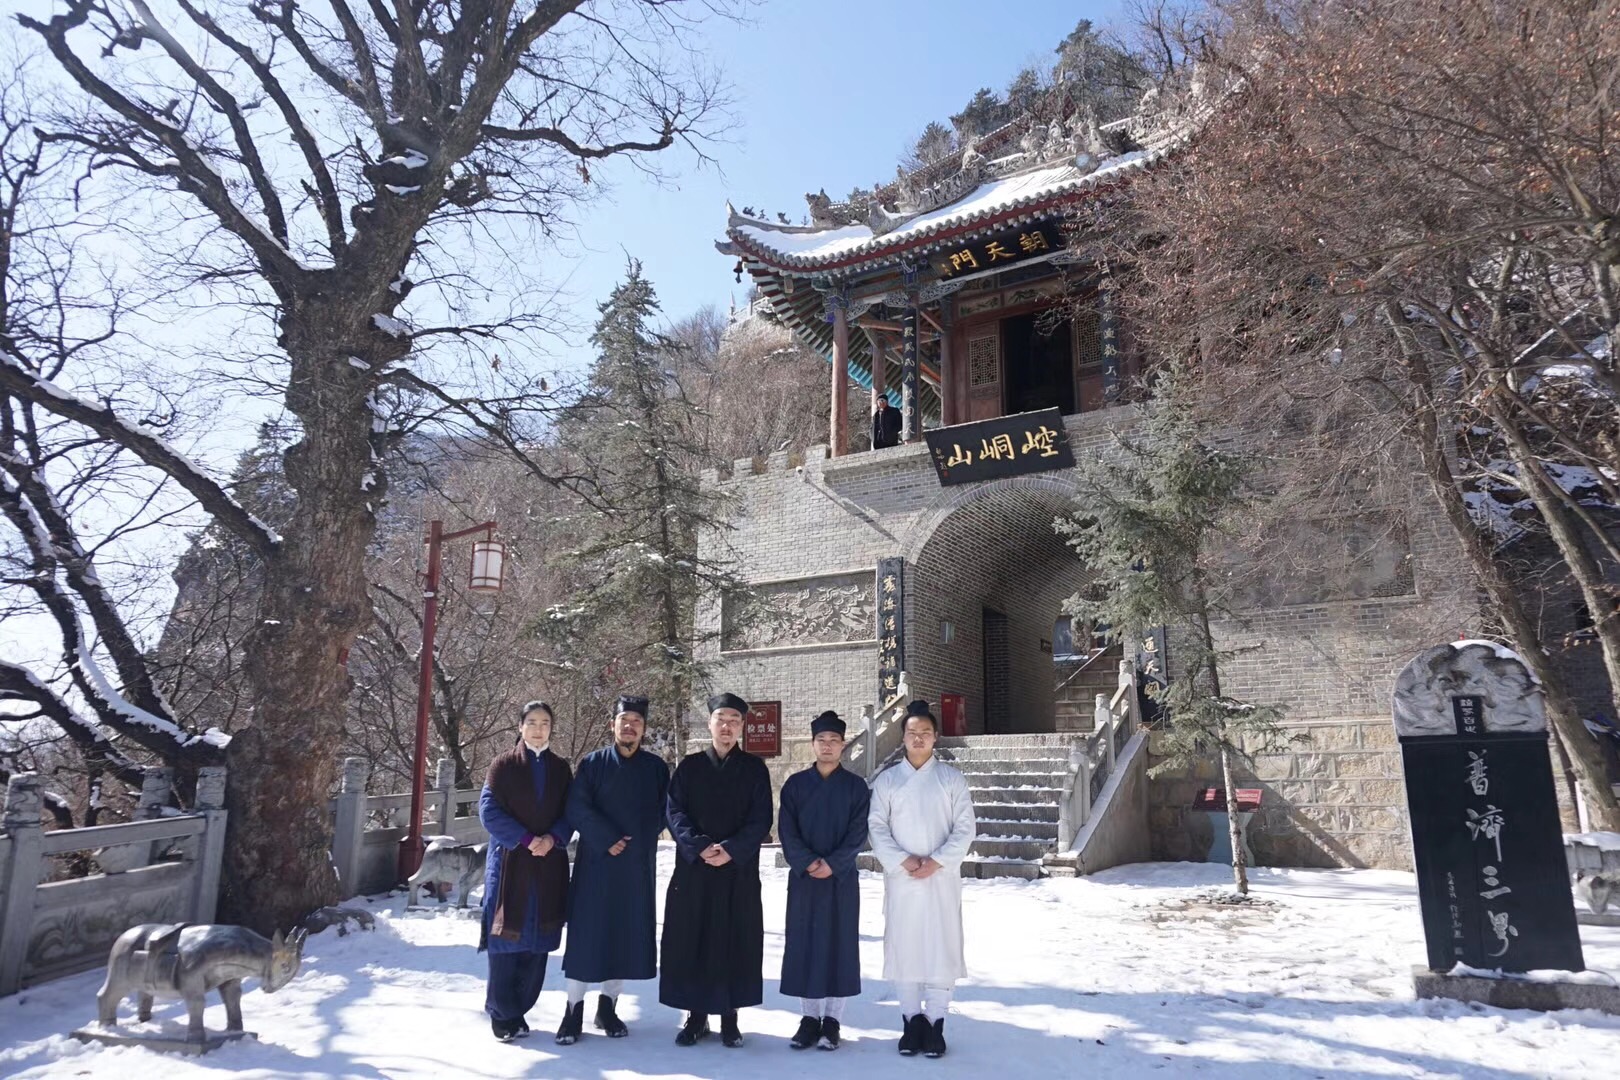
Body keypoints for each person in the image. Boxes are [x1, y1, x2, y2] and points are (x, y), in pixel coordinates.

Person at [555, 695, 671, 1044]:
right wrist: (606, 838)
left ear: (644, 728)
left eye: (637, 720)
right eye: (624, 720)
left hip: (636, 865)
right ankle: (572, 1010)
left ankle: (609, 1006)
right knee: (587, 936)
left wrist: (635, 840)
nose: (630, 726)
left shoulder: (655, 768)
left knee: (624, 935)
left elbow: (664, 810)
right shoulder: (592, 764)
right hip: (596, 864)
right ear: (613, 725)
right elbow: (576, 808)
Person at [660, 692, 773, 1048]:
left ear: (742, 727)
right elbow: (674, 813)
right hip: (695, 871)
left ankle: (730, 1016)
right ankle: (695, 1016)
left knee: (734, 940)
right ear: (709, 724)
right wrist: (699, 846)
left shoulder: (755, 769)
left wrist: (732, 850)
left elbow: (761, 819)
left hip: (736, 872)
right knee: (694, 938)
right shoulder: (690, 767)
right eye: (720, 719)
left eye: (734, 721)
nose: (726, 727)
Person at [867, 700, 976, 1059]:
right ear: (903, 737)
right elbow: (877, 827)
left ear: (935, 737)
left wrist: (938, 862)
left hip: (941, 880)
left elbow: (964, 829)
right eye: (912, 732)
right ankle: (911, 1020)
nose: (918, 738)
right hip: (903, 879)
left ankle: (936, 1021)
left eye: (925, 733)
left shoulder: (951, 779)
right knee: (906, 945)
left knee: (941, 946)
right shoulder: (887, 780)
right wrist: (903, 861)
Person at [478, 700, 574, 1042]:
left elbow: (570, 813)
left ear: (551, 728)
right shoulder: (502, 766)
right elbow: (489, 813)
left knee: (537, 943)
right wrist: (526, 839)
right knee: (507, 940)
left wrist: (553, 838)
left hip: (548, 864)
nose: (538, 728)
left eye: (544, 722)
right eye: (531, 722)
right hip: (511, 863)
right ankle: (502, 1014)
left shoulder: (561, 769)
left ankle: (521, 1010)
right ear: (520, 727)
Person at [779, 710, 870, 1051]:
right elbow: (787, 831)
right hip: (804, 880)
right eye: (822, 740)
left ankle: (832, 1020)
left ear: (843, 745)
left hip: (841, 879)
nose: (828, 746)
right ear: (813, 744)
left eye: (834, 740)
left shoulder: (856, 787)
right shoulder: (795, 785)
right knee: (805, 944)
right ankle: (808, 1018)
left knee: (839, 946)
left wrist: (833, 863)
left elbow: (859, 831)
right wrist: (807, 862)